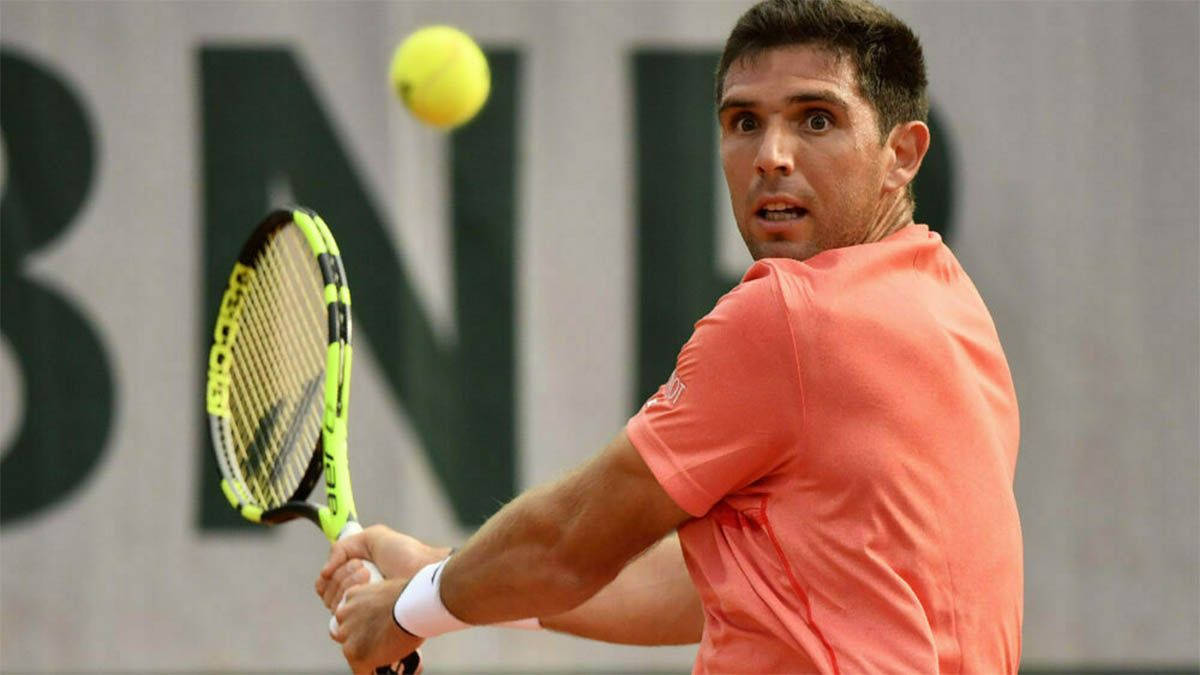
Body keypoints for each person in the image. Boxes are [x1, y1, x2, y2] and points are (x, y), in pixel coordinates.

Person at [315, 0, 1023, 672]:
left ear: (902, 152)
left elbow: (569, 540)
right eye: (744, 122)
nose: (771, 155)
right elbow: (715, 585)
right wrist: (441, 572)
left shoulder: (788, 315)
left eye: (815, 119)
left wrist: (407, 610)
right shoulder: (951, 308)